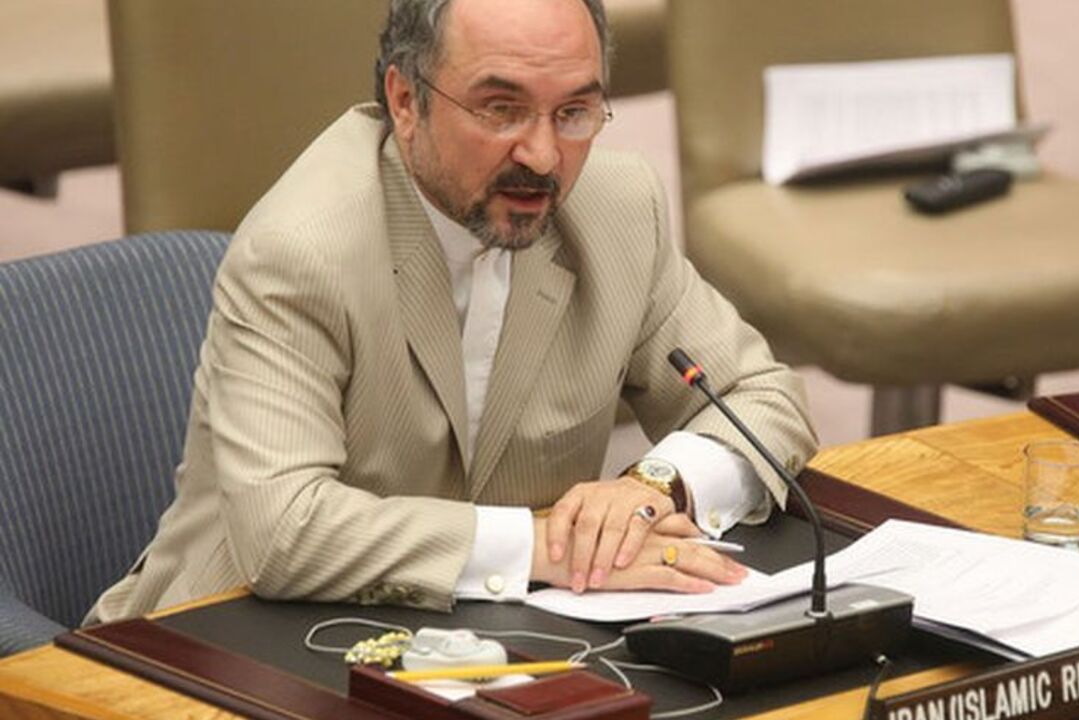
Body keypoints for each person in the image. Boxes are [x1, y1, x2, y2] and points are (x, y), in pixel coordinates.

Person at [88, 0, 816, 624]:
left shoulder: (618, 211)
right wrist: (548, 546)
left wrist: (651, 491)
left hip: (491, 647)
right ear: (406, 101)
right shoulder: (302, 250)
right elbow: (285, 531)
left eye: (574, 112)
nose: (542, 155)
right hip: (228, 640)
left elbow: (764, 399)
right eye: (501, 110)